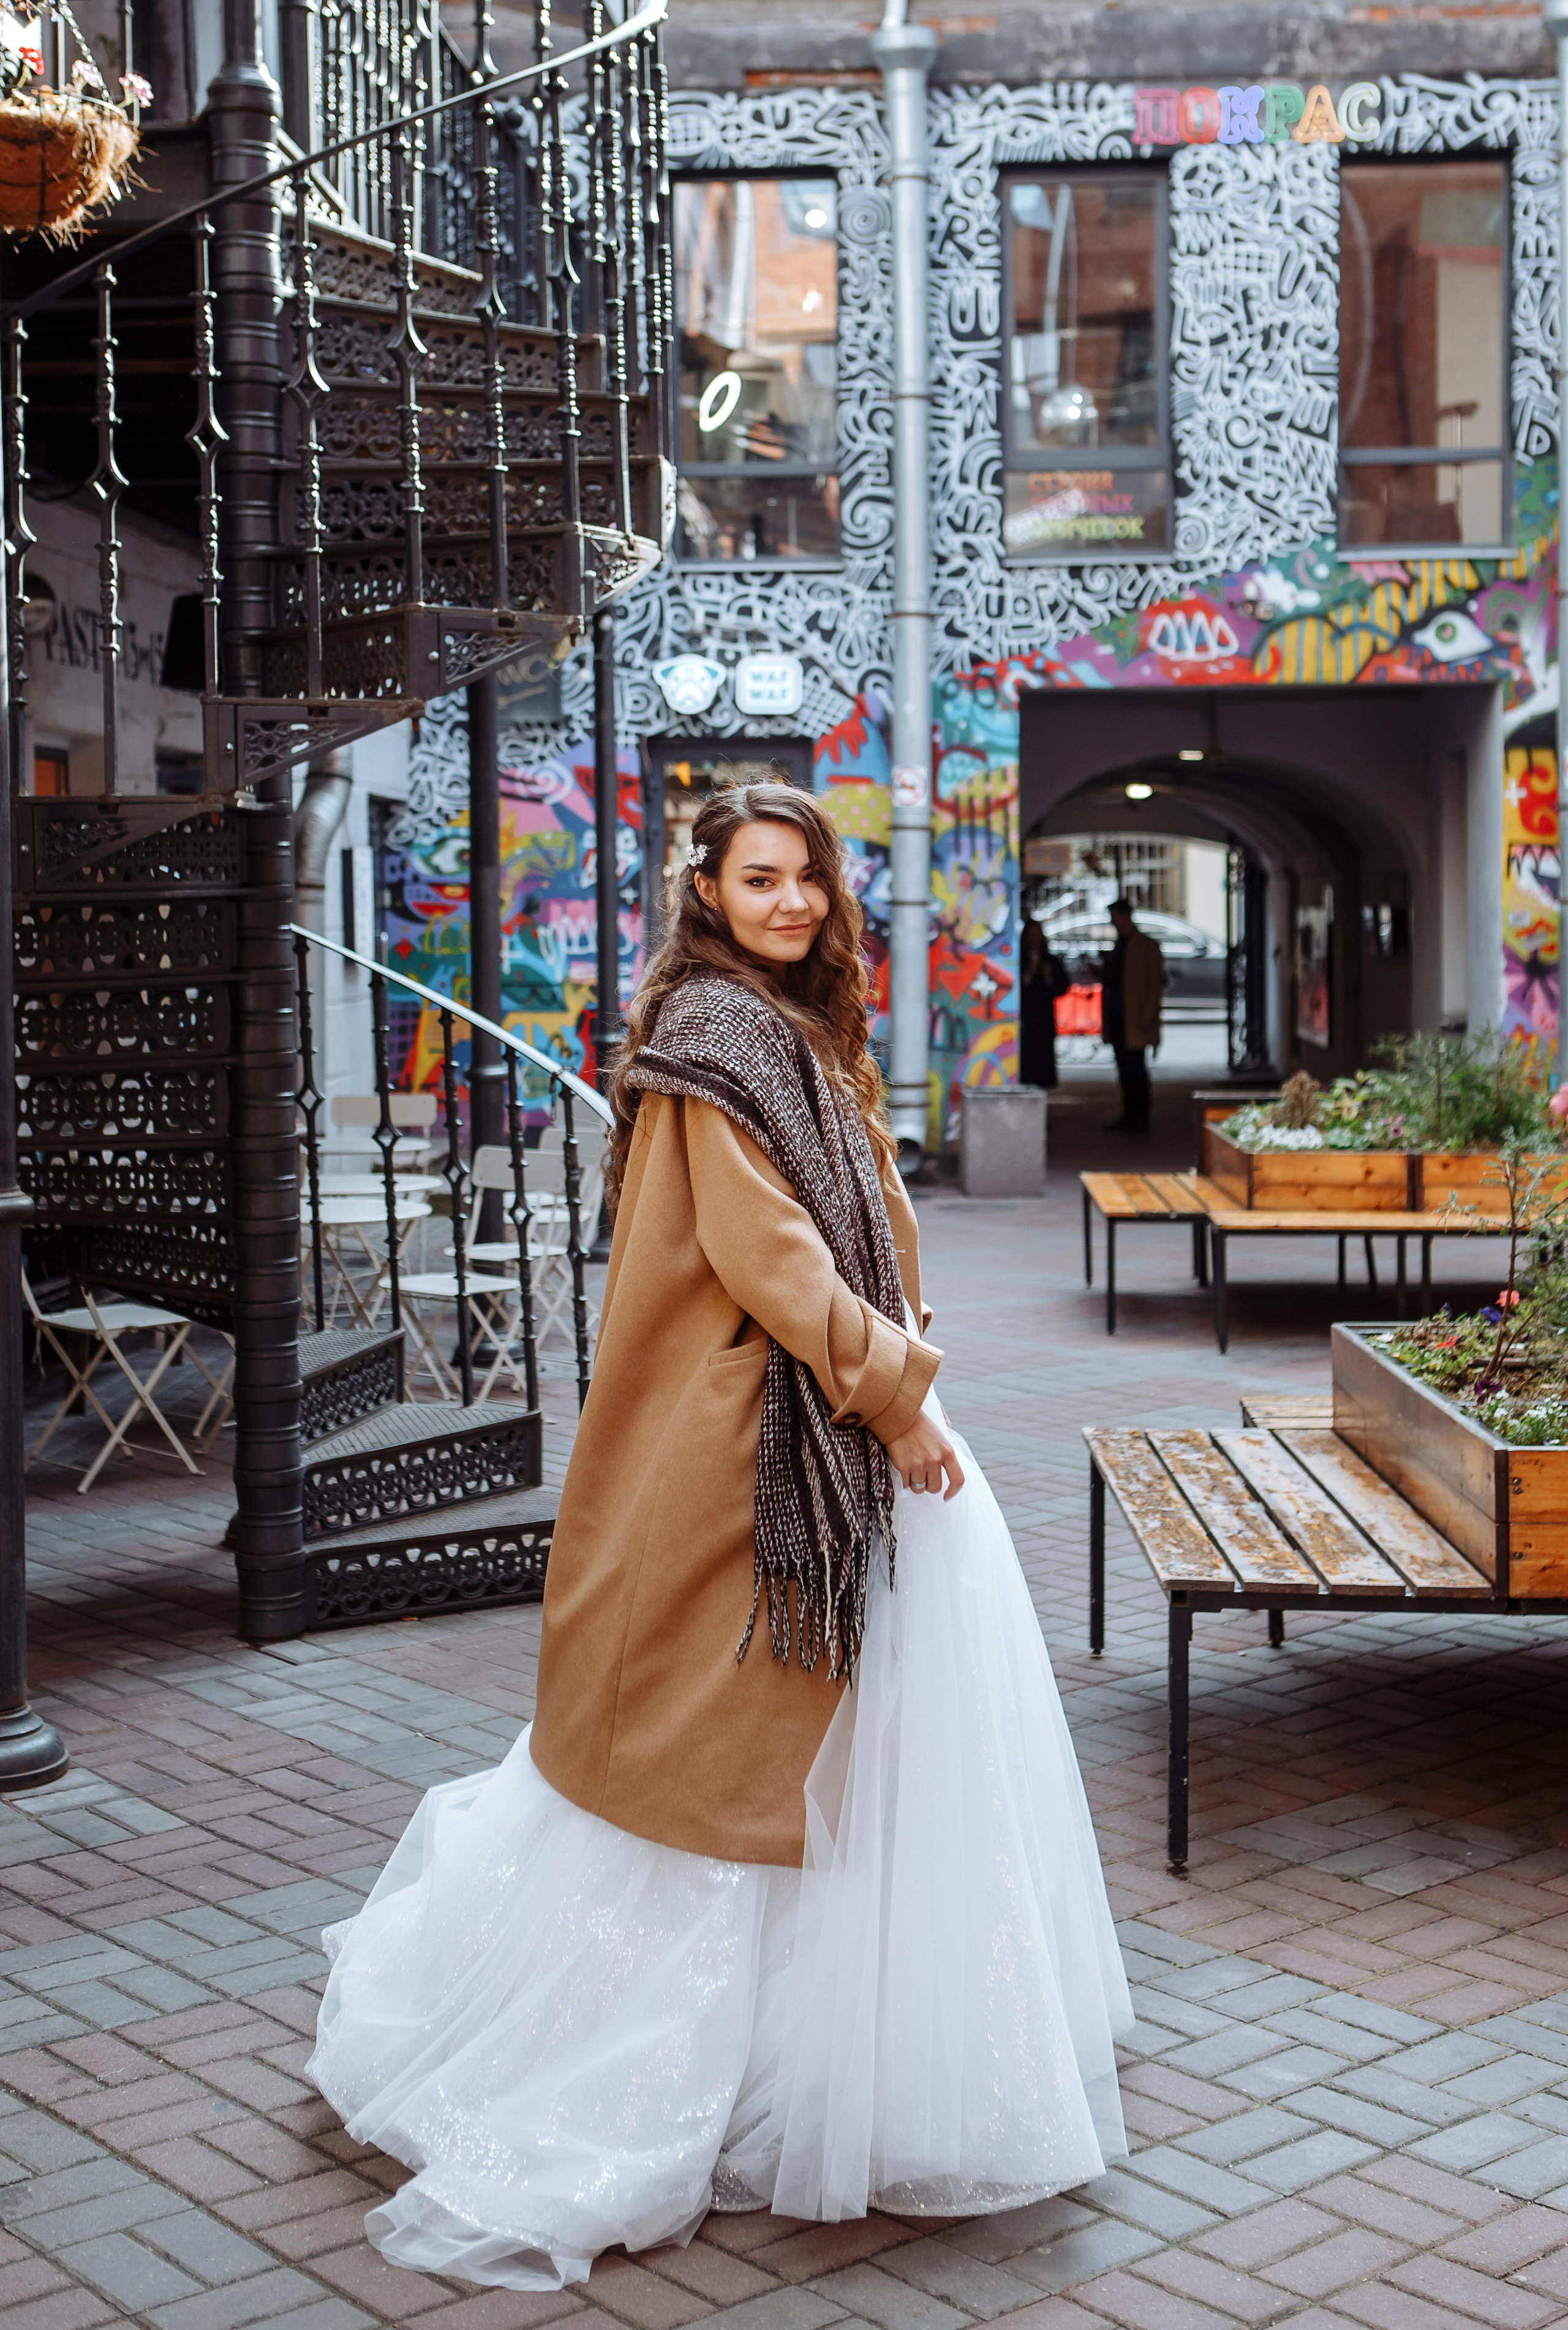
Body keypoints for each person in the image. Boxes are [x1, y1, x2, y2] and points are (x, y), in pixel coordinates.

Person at [307, 784, 1132, 2290]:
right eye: (760, 879)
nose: (790, 902)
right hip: (760, 1432)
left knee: (822, 1749)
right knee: (737, 1742)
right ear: (706, 891)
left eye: (807, 877)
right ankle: (702, 2063)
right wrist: (890, 1394)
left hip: (809, 1407)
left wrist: (886, 1361)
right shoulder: (718, 1038)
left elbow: (837, 1221)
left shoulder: (782, 1025)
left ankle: (806, 2050)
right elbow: (767, 1254)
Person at [1096, 897, 1164, 1133]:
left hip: (1135, 1019)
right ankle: (1129, 1114)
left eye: (1114, 916)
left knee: (1136, 1068)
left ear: (1124, 916)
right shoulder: (1120, 945)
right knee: (1124, 1068)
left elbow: (1154, 984)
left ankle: (1140, 1116)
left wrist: (1148, 1013)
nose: (1112, 922)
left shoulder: (1146, 946)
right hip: (1119, 1016)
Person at [1019, 917, 1071, 1089]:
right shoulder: (1019, 960)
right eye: (1031, 935)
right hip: (1025, 1019)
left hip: (1044, 1018)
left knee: (1043, 1057)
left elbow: (1062, 987)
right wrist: (1029, 974)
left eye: (1037, 935)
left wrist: (1048, 977)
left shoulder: (1050, 960)